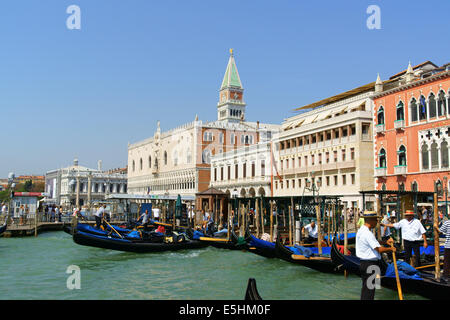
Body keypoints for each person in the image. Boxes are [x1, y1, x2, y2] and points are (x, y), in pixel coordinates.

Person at [356, 211, 396, 300]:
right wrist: (390, 249)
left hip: (365, 263)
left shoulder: (362, 230)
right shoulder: (367, 233)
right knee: (369, 290)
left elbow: (373, 243)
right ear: (370, 220)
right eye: (375, 220)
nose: (377, 222)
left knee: (368, 288)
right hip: (371, 265)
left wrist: (385, 242)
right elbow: (379, 249)